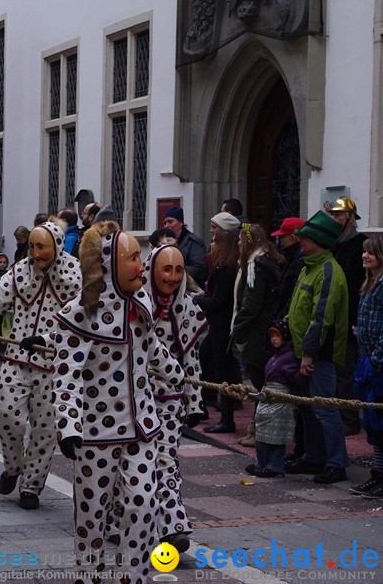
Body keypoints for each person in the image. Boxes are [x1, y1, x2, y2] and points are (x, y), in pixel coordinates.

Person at [48, 221, 183, 583]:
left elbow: (152, 348)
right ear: (108, 264)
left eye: (139, 257)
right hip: (95, 435)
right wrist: (69, 426)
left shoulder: (142, 304)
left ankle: (131, 575)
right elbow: (66, 376)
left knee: (143, 502)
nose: (141, 266)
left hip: (142, 428)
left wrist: (179, 376)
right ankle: (88, 574)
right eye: (133, 258)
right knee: (92, 515)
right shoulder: (80, 314)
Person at [0, 222, 81, 510]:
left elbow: (82, 321)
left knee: (45, 429)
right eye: (32, 247)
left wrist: (50, 339)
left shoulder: (77, 275)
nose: (35, 253)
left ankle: (32, 486)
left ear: (57, 247)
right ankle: (13, 466)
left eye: (41, 247)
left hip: (54, 368)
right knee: (6, 415)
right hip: (16, 358)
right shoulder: (20, 271)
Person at [142, 242, 208, 552]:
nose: (172, 276)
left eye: (179, 269)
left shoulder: (189, 308)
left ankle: (173, 525)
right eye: (166, 269)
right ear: (152, 269)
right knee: (131, 465)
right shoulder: (133, 303)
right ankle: (117, 521)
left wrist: (194, 403)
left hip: (169, 399)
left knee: (165, 460)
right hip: (130, 399)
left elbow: (191, 360)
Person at [285, 210, 349, 484]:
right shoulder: (308, 267)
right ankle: (314, 456)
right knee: (310, 409)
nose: (301, 241)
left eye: (306, 238)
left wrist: (309, 354)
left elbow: (320, 319)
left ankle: (336, 463)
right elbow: (298, 308)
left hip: (318, 355)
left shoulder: (328, 272)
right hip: (303, 353)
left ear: (318, 241)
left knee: (324, 408)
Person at [230, 224, 283, 446]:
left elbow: (251, 304)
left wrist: (238, 331)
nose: (239, 243)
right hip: (259, 331)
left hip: (257, 333)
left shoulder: (256, 266)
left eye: (241, 239)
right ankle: (256, 431)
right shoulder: (263, 261)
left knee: (260, 383)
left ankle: (260, 433)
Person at [194, 229, 241, 432]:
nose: (211, 245)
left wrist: (197, 299)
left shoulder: (226, 268)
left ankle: (227, 419)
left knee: (223, 371)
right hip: (217, 325)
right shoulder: (221, 266)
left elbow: (219, 301)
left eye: (214, 241)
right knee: (203, 359)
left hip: (222, 326)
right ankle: (201, 406)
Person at [246, 320, 304, 477]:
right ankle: (262, 463)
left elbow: (295, 377)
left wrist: (302, 375)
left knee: (276, 436)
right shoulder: (275, 356)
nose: (273, 339)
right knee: (263, 432)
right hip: (268, 397)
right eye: (271, 335)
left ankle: (275, 466)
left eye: (277, 335)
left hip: (280, 398)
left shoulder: (289, 356)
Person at [330, 196, 366, 435]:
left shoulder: (360, 244)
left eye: (339, 215)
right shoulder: (333, 243)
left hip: (351, 315)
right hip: (335, 314)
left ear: (350, 218)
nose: (335, 219)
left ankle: (350, 418)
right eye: (333, 215)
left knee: (347, 371)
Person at [352, 235, 383, 498]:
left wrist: (377, 359)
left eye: (370, 253)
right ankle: (378, 473)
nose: (365, 256)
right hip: (366, 357)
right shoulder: (369, 283)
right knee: (372, 423)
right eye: (364, 252)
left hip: (377, 361)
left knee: (379, 420)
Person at [163, 206, 207, 287]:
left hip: (192, 288)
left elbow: (199, 269)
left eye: (170, 221)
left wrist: (176, 271)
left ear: (181, 222)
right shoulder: (165, 242)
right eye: (165, 223)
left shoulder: (194, 242)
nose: (167, 225)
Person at [272, 217, 307, 320]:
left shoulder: (298, 261)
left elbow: (290, 295)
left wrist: (280, 319)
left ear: (293, 237)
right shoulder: (291, 258)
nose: (281, 240)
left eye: (283, 236)